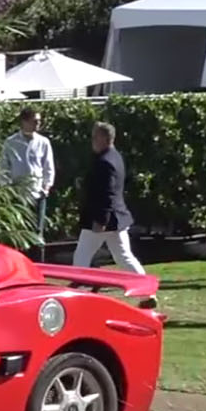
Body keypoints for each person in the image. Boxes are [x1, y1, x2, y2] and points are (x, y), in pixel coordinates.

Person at [70, 122, 157, 308]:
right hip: (115, 219)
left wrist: (101, 220)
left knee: (81, 257)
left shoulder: (105, 162)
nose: (92, 141)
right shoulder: (114, 157)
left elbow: (107, 194)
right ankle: (147, 293)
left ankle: (80, 294)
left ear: (104, 138)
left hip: (102, 219)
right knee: (123, 256)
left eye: (95, 137)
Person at [0, 107, 54, 260]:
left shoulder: (43, 142)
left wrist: (46, 187)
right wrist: (7, 190)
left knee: (37, 233)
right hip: (18, 195)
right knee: (18, 233)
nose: (38, 124)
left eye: (39, 121)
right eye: (35, 121)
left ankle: (40, 267)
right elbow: (4, 167)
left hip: (37, 195)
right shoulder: (11, 142)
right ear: (24, 121)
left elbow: (48, 167)